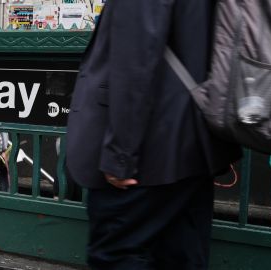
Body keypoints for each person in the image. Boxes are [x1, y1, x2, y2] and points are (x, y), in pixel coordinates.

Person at [66, 0, 242, 269]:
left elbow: (136, 55)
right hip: (194, 143)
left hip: (149, 150)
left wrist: (120, 156)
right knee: (180, 256)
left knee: (115, 254)